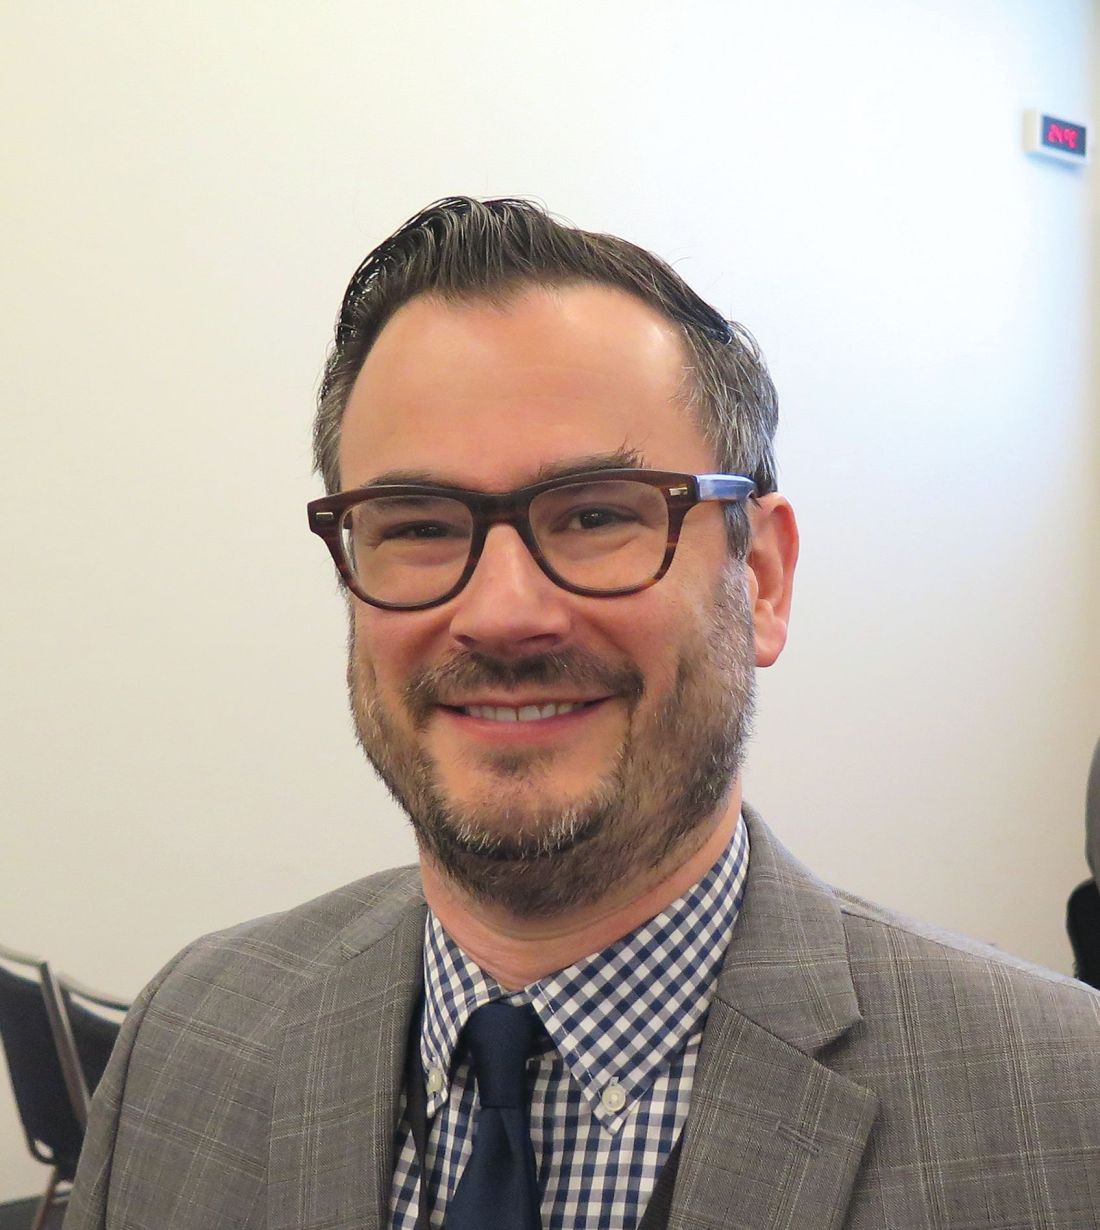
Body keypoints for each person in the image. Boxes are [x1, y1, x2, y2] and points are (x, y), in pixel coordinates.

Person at [67, 198, 1100, 1230]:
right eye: (419, 526)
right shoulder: (188, 1039)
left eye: (597, 514)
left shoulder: (1062, 1109)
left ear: (762, 579)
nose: (502, 613)